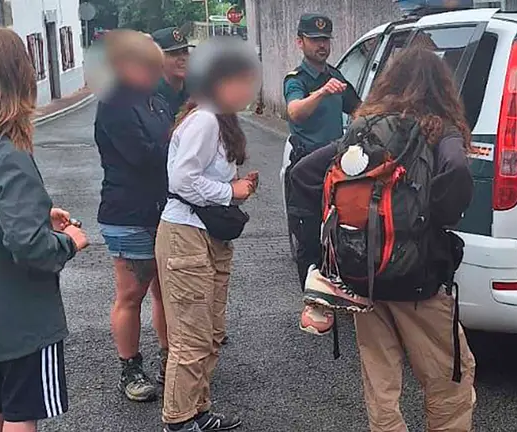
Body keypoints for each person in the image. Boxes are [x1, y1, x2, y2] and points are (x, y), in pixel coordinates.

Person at [290, 47, 476, 431]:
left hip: (364, 277)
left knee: (381, 383)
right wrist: (433, 217)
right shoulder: (439, 129)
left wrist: (335, 228)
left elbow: (304, 174)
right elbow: (457, 169)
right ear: (442, 86)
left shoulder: (363, 129)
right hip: (419, 279)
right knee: (449, 379)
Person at [155, 37, 260, 432]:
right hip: (186, 235)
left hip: (206, 236)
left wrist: (236, 185)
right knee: (192, 337)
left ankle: (198, 410)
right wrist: (228, 191)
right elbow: (181, 178)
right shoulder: (206, 119)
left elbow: (202, 174)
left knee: (211, 333)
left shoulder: (220, 119)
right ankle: (179, 421)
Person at [0, 26, 89, 432]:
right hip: (20, 319)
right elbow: (26, 244)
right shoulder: (9, 151)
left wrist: (37, 214)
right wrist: (67, 242)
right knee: (20, 412)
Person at [94, 29, 172, 402]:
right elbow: (142, 155)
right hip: (128, 213)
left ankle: (171, 358)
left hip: (162, 208)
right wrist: (179, 151)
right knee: (131, 293)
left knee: (165, 291)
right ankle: (130, 368)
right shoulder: (114, 105)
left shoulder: (155, 101)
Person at [284, 13, 361, 287]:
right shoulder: (297, 79)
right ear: (300, 42)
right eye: (315, 39)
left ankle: (339, 286)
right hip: (306, 171)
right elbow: (295, 112)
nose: (322, 45)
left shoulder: (336, 76)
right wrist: (321, 93)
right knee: (308, 238)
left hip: (336, 169)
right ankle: (312, 297)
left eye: (325, 40)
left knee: (341, 232)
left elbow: (360, 109)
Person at [153, 27, 194, 117]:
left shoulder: (196, 92)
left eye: (185, 51)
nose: (183, 58)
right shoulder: (149, 98)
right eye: (174, 53)